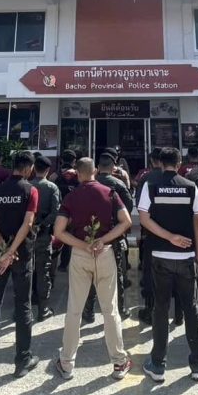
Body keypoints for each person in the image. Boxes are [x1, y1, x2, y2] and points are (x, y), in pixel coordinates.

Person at [54, 157, 134, 380]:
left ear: (78, 173)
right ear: (95, 171)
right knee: (110, 310)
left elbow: (59, 231)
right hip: (105, 253)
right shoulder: (110, 193)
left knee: (74, 310)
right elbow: (126, 221)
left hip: (80, 254)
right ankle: (119, 362)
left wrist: (83, 245)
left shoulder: (71, 196)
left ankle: (67, 362)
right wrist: (103, 240)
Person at [139, 146, 198, 382]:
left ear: (160, 162)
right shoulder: (190, 186)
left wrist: (168, 237)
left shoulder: (151, 185)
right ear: (179, 163)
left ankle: (158, 364)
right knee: (191, 307)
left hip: (160, 256)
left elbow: (144, 218)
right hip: (186, 257)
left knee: (160, 308)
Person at [0, 151, 40, 379]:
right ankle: (22, 360)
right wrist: (11, 252)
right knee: (23, 306)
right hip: (22, 256)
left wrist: (3, 250)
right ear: (29, 168)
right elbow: (28, 223)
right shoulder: (31, 190)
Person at [83, 152, 134, 323]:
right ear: (113, 168)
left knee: (90, 273)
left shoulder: (89, 185)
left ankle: (88, 311)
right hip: (113, 235)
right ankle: (120, 309)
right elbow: (128, 206)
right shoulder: (118, 184)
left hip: (91, 234)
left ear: (98, 168)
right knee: (116, 273)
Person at [30, 154, 61, 322]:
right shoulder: (52, 188)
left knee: (26, 271)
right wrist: (42, 225)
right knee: (43, 271)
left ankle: (25, 307)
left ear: (34, 168)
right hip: (43, 235)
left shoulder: (27, 186)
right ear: (48, 170)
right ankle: (43, 309)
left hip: (26, 235)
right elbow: (55, 212)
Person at [55, 150, 80, 271]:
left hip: (59, 211)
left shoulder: (55, 176)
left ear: (61, 160)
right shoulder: (78, 176)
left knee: (56, 236)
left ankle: (53, 263)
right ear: (74, 161)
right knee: (70, 237)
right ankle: (65, 264)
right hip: (73, 212)